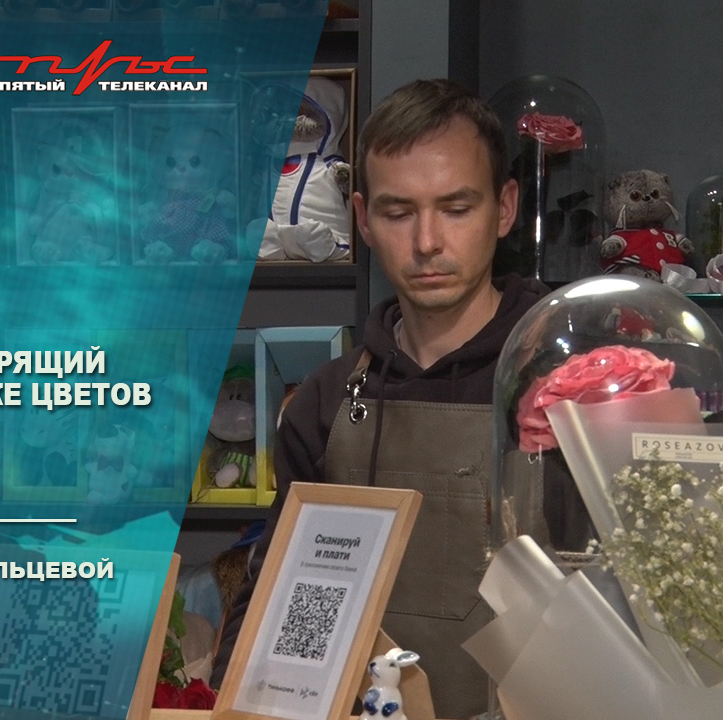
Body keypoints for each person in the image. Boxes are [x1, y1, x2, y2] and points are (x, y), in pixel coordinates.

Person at [211, 78, 550, 719]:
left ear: (505, 208)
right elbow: (279, 598)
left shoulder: (567, 385)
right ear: (363, 219)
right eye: (398, 213)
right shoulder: (325, 400)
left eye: (456, 208)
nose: (427, 242)